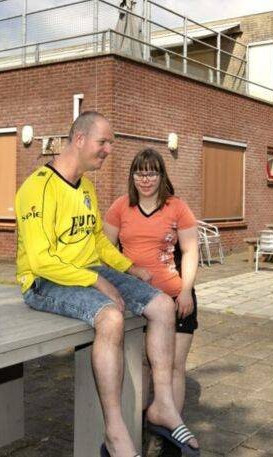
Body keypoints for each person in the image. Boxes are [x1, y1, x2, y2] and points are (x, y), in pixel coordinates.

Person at [15, 112, 200, 457]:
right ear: (80, 139)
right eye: (103, 142)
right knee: (111, 317)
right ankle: (114, 433)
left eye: (110, 143)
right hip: (44, 280)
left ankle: (162, 405)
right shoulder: (37, 188)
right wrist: (97, 281)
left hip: (87, 269)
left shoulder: (86, 187)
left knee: (162, 305)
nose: (109, 150)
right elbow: (40, 261)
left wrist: (128, 267)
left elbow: (97, 241)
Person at [103, 148, 200, 428]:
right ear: (132, 176)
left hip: (176, 297)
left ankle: (171, 430)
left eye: (151, 173)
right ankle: (140, 426)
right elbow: (105, 251)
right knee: (144, 365)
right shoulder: (120, 207)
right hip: (138, 300)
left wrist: (186, 291)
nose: (145, 179)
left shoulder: (177, 208)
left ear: (162, 176)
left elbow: (190, 251)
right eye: (139, 173)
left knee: (174, 366)